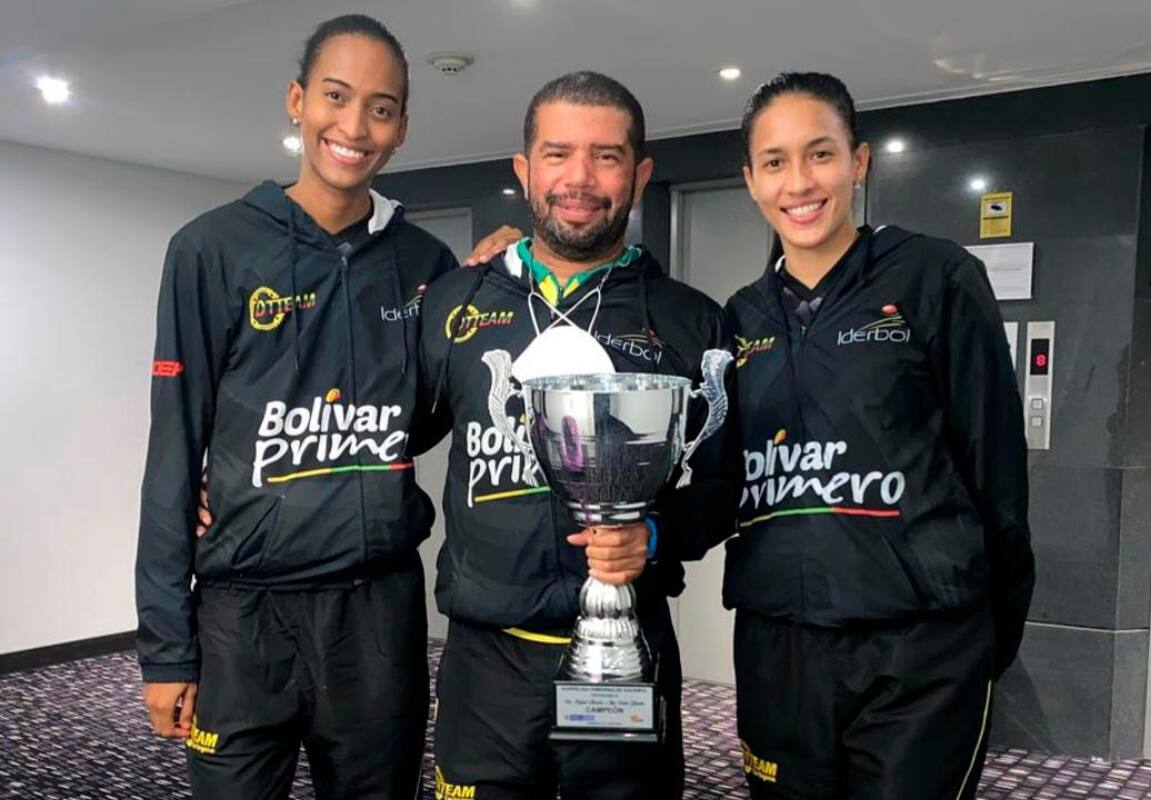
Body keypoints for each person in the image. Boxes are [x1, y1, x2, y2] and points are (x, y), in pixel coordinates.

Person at [135, 15, 457, 799]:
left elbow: (437, 407)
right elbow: (174, 448)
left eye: (381, 108)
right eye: (335, 97)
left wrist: (501, 275)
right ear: (296, 100)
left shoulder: (426, 263)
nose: (354, 126)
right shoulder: (210, 249)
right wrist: (166, 649)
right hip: (243, 617)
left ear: (403, 127)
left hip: (377, 613)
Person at [416, 71, 743, 800]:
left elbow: (724, 489)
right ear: (524, 169)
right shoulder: (455, 302)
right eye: (558, 153)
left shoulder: (692, 319)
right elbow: (386, 431)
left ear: (641, 173)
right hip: (485, 661)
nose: (580, 178)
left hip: (627, 650)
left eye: (607, 156)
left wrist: (654, 537)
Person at [722, 71, 1035, 798]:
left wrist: (997, 627)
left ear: (859, 162)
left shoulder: (935, 276)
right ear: (751, 181)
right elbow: (716, 477)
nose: (799, 182)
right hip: (779, 645)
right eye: (775, 162)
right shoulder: (739, 319)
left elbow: (996, 467)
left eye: (820, 154)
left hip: (919, 649)